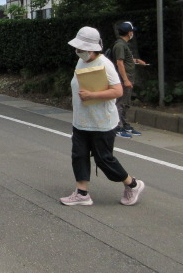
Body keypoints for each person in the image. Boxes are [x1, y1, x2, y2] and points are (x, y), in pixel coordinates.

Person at [60, 26, 145, 207]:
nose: (79, 52)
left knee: (104, 160)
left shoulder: (105, 64)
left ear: (94, 48)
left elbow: (118, 90)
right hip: (81, 120)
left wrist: (92, 96)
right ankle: (82, 193)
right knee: (79, 155)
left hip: (102, 122)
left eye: (83, 49)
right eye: (78, 48)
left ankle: (133, 184)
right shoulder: (81, 62)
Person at [112, 21, 146, 138]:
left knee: (126, 103)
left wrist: (136, 61)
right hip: (124, 78)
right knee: (121, 103)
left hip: (128, 77)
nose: (132, 33)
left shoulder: (124, 44)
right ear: (129, 32)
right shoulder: (120, 45)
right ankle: (117, 127)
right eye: (132, 31)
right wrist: (125, 79)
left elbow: (126, 60)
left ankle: (125, 125)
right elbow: (119, 63)